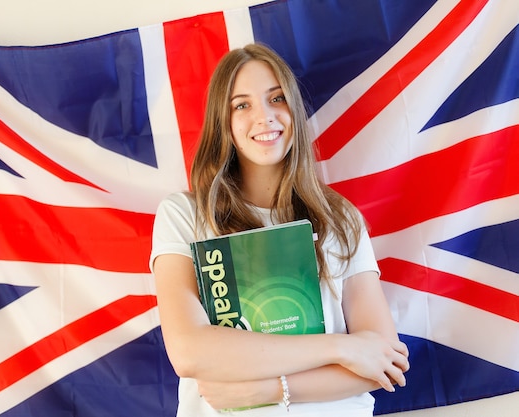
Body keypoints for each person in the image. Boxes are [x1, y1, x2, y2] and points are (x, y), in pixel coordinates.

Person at [149, 43, 409, 416]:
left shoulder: (341, 219)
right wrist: (343, 348)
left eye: (277, 98)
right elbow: (190, 351)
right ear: (223, 122)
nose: (264, 117)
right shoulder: (185, 215)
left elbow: (383, 362)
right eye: (242, 105)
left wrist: (270, 389)